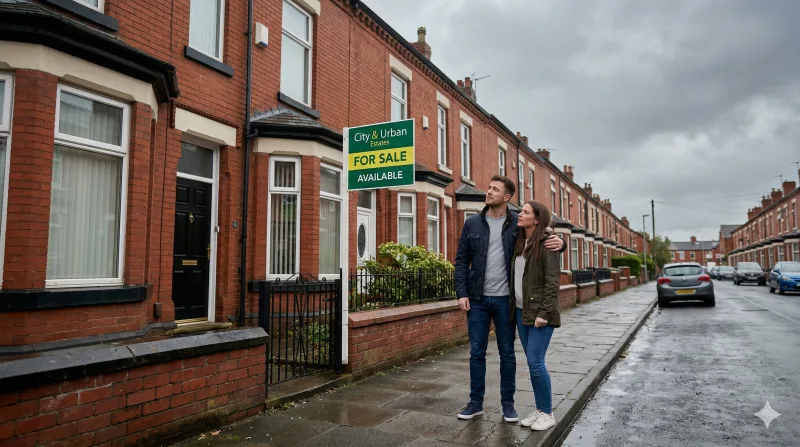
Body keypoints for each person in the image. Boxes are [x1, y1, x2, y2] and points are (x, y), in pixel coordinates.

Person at [454, 176, 565, 423]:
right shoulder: (472, 223)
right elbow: (461, 261)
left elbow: (542, 232)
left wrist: (562, 242)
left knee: (508, 353)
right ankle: (475, 403)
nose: (489, 191)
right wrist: (461, 292)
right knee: (476, 352)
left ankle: (508, 405)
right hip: (478, 299)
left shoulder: (517, 223)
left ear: (506, 197)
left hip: (507, 302)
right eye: (489, 187)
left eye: (495, 189)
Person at [510, 200, 561, 431]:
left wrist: (544, 313)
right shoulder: (521, 241)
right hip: (522, 311)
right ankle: (540, 409)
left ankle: (548, 413)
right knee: (532, 365)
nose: (520, 214)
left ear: (537, 219)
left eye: (525, 212)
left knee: (536, 362)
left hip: (540, 314)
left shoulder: (547, 243)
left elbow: (552, 283)